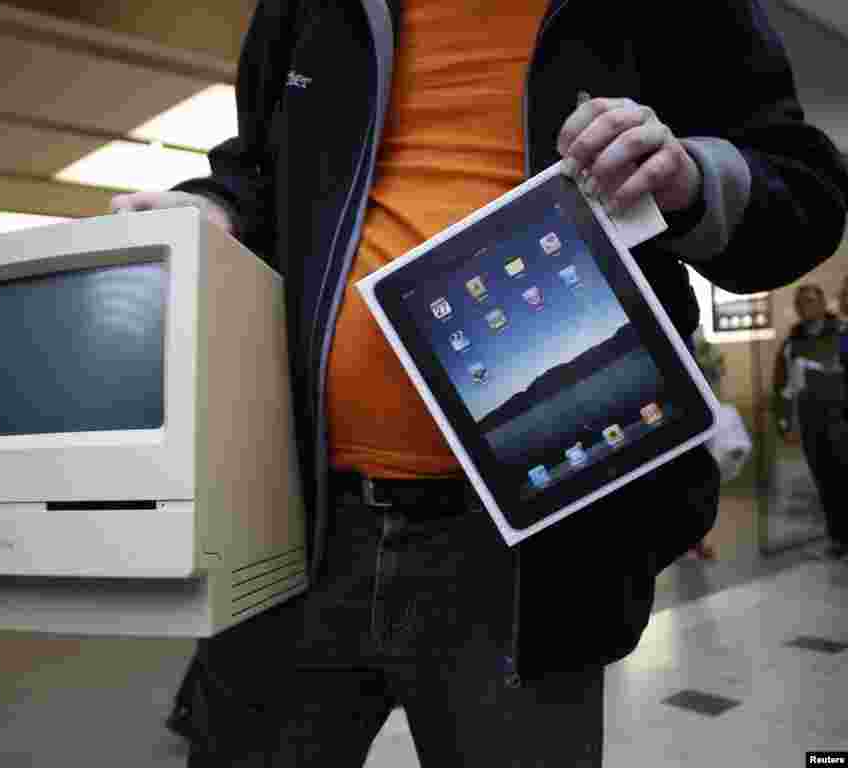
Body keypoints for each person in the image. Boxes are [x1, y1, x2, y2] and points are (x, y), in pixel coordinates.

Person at [114, 1, 848, 763]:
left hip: (535, 552)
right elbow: (263, 168)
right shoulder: (309, 8)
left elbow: (806, 191)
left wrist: (691, 178)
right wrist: (217, 206)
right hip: (299, 519)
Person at [772, 284, 846, 559]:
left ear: (823, 302)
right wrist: (784, 423)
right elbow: (781, 387)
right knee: (826, 481)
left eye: (812, 300)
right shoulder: (793, 343)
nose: (807, 306)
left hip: (842, 421)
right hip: (811, 423)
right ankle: (838, 538)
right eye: (801, 301)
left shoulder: (841, 334)